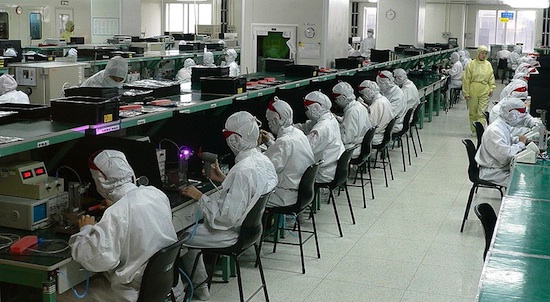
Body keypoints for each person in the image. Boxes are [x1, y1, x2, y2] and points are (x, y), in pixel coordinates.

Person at [60, 150, 183, 302]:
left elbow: (93, 259)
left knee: (62, 294)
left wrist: (85, 229)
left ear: (101, 179)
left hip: (131, 291)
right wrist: (118, 205)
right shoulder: (156, 194)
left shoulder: (117, 213)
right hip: (159, 284)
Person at [180, 111, 277, 300]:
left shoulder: (242, 170)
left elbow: (224, 219)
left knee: (176, 236)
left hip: (231, 234)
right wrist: (224, 179)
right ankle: (197, 284)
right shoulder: (262, 160)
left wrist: (199, 196)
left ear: (235, 139)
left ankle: (195, 289)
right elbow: (250, 193)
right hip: (252, 231)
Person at [260, 97, 315, 207]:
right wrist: (270, 142)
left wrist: (253, 151)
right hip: (300, 192)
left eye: (269, 120)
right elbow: (284, 155)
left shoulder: (284, 142)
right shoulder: (298, 134)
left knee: (249, 198)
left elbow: (265, 168)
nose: (269, 124)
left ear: (276, 120)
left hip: (284, 196)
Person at [475, 98, 528, 186]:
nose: (519, 120)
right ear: (512, 114)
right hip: (493, 172)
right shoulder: (495, 130)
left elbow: (507, 140)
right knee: (522, 185)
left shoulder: (502, 125)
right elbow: (506, 156)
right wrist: (521, 144)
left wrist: (519, 140)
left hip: (498, 167)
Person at [294, 91, 345, 183]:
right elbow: (307, 126)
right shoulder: (329, 118)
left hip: (324, 172)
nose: (306, 112)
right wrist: (290, 128)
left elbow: (305, 149)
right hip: (333, 166)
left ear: (315, 108)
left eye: (307, 109)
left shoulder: (322, 127)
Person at [332, 81, 371, 158]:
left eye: (336, 99)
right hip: (361, 144)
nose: (336, 102)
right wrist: (338, 118)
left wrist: (334, 130)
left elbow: (346, 139)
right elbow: (352, 123)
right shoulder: (358, 105)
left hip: (353, 149)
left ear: (343, 98)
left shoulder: (352, 112)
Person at [462, 45, 495, 135]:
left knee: (482, 111)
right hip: (473, 89)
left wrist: (491, 88)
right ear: (478, 53)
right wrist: (466, 92)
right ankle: (473, 129)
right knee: (473, 111)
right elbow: (466, 79)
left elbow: (491, 77)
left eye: (485, 53)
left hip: (484, 89)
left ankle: (480, 130)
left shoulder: (488, 65)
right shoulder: (471, 64)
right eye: (482, 53)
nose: (483, 55)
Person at [357, 80, 394, 145]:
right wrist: (364, 105)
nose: (363, 97)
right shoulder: (383, 99)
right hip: (383, 132)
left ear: (367, 93)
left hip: (377, 136)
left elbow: (369, 124)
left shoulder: (377, 103)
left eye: (363, 94)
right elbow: (373, 111)